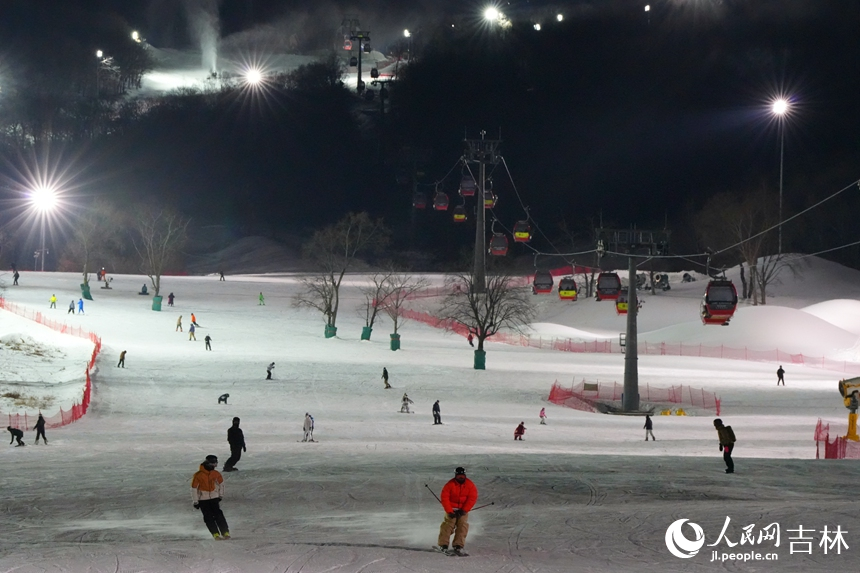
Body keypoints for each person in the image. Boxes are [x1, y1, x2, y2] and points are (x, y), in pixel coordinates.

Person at [436, 466, 478, 556]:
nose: (461, 477)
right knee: (447, 526)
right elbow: (445, 498)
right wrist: (449, 511)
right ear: (455, 475)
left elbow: (472, 498)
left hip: (462, 511)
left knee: (462, 526)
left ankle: (458, 545)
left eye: (462, 475)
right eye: (459, 475)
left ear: (465, 475)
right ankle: (443, 545)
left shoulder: (470, 485)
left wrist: (464, 510)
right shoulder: (450, 485)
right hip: (451, 509)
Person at [190, 455, 230, 539]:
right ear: (208, 464)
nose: (215, 466)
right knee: (208, 517)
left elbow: (221, 485)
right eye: (213, 464)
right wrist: (196, 501)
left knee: (218, 515)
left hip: (214, 497)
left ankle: (225, 532)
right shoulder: (198, 475)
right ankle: (215, 533)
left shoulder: (216, 474)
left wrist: (220, 495)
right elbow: (194, 488)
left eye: (216, 464)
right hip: (203, 499)